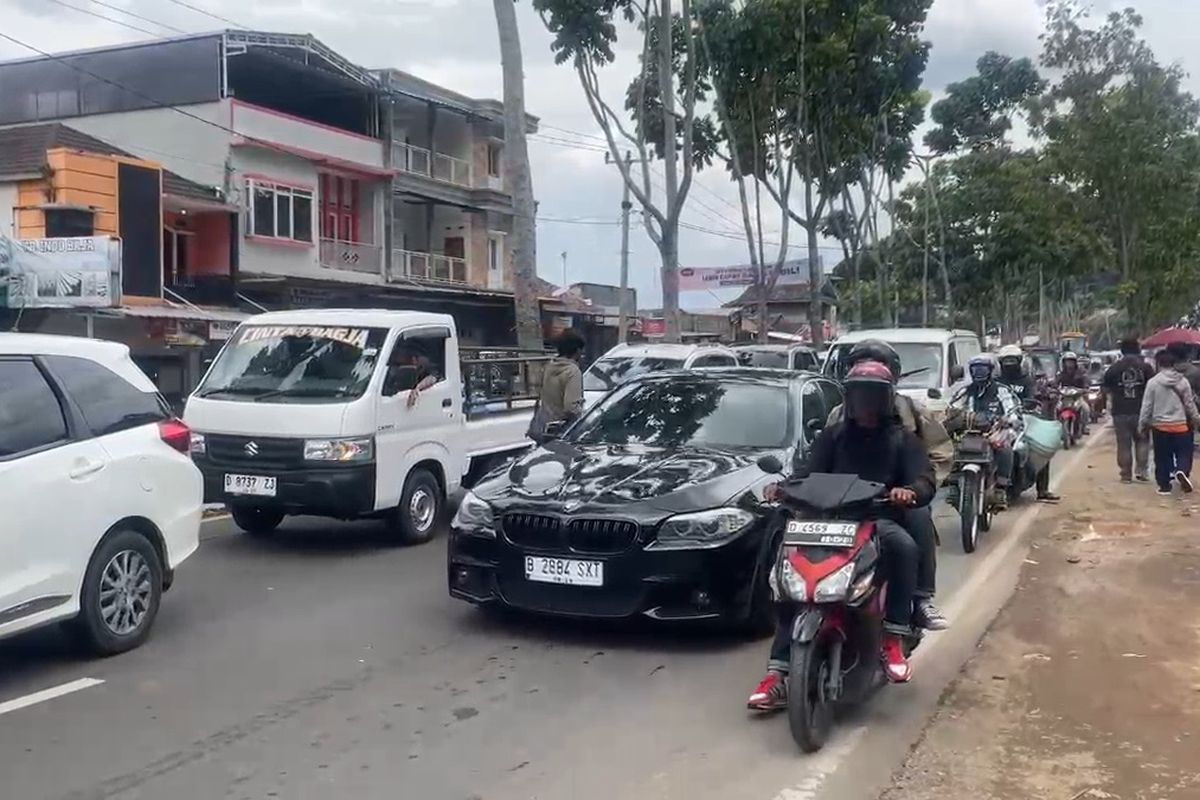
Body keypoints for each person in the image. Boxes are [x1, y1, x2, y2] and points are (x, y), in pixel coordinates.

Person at [748, 360, 934, 709]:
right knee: (790, 576)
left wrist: (909, 491)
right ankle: (777, 674)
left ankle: (893, 636)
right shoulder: (832, 436)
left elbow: (924, 479)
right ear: (849, 398)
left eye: (872, 394)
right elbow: (807, 474)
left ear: (886, 398)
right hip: (827, 522)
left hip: (875, 521)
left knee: (904, 546)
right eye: (859, 394)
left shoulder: (904, 440)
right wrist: (784, 489)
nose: (865, 401)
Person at [824, 340, 949, 631]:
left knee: (919, 517)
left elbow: (940, 452)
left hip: (898, 498)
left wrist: (917, 486)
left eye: (877, 365)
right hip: (847, 502)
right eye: (859, 365)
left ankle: (920, 599)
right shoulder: (837, 417)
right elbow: (820, 462)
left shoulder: (913, 412)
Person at [946, 354, 1022, 510]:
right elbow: (952, 407)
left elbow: (1012, 409)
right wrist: (953, 416)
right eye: (975, 369)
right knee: (949, 446)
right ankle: (953, 483)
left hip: (994, 430)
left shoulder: (1001, 390)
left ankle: (1000, 488)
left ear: (991, 371)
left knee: (1004, 447)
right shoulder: (965, 391)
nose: (979, 372)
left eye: (983, 369)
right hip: (968, 431)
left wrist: (1009, 420)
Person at [996, 345, 1059, 502]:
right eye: (1006, 361)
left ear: (1019, 361)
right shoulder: (996, 381)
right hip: (999, 420)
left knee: (1040, 447)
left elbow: (1032, 397)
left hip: (1023, 418)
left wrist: (1031, 403)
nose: (1009, 364)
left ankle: (1042, 490)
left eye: (1012, 361)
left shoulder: (1027, 380)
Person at [1139, 348, 1200, 495]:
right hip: (1181, 425)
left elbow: (1147, 406)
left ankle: (1164, 486)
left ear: (1159, 364)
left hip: (1160, 427)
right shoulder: (1183, 381)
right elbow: (1189, 404)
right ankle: (1181, 470)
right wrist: (1196, 419)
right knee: (1184, 453)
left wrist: (1142, 424)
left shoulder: (1153, 383)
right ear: (1173, 365)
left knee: (1162, 457)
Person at [1104, 338, 1155, 483]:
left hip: (1120, 411)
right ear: (1138, 350)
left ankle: (1125, 475)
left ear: (1122, 351)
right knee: (1142, 440)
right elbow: (1153, 388)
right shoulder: (1146, 368)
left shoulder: (1114, 368)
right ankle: (1142, 471)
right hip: (1141, 410)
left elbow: (1106, 389)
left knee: (1123, 444)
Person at [529, 329, 585, 443]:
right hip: (562, 431)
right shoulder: (572, 371)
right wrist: (585, 417)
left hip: (544, 428)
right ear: (578, 350)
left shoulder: (548, 367)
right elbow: (571, 407)